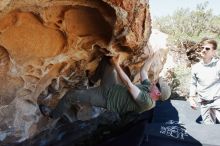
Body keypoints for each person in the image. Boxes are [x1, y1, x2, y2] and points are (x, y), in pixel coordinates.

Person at [39, 55, 171, 120]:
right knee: (107, 61)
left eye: (157, 85)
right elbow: (143, 71)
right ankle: (92, 80)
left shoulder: (147, 102)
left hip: (106, 99)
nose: (154, 83)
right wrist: (152, 57)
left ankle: (53, 114)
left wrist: (117, 64)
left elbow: (129, 85)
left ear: (158, 94)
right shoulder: (149, 88)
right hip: (112, 86)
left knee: (71, 95)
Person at [188, 39, 220, 124]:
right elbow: (193, 83)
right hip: (204, 103)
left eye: (207, 48)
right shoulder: (196, 67)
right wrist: (191, 98)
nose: (204, 50)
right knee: (209, 129)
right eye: (203, 48)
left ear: (213, 52)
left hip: (218, 101)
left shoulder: (218, 65)